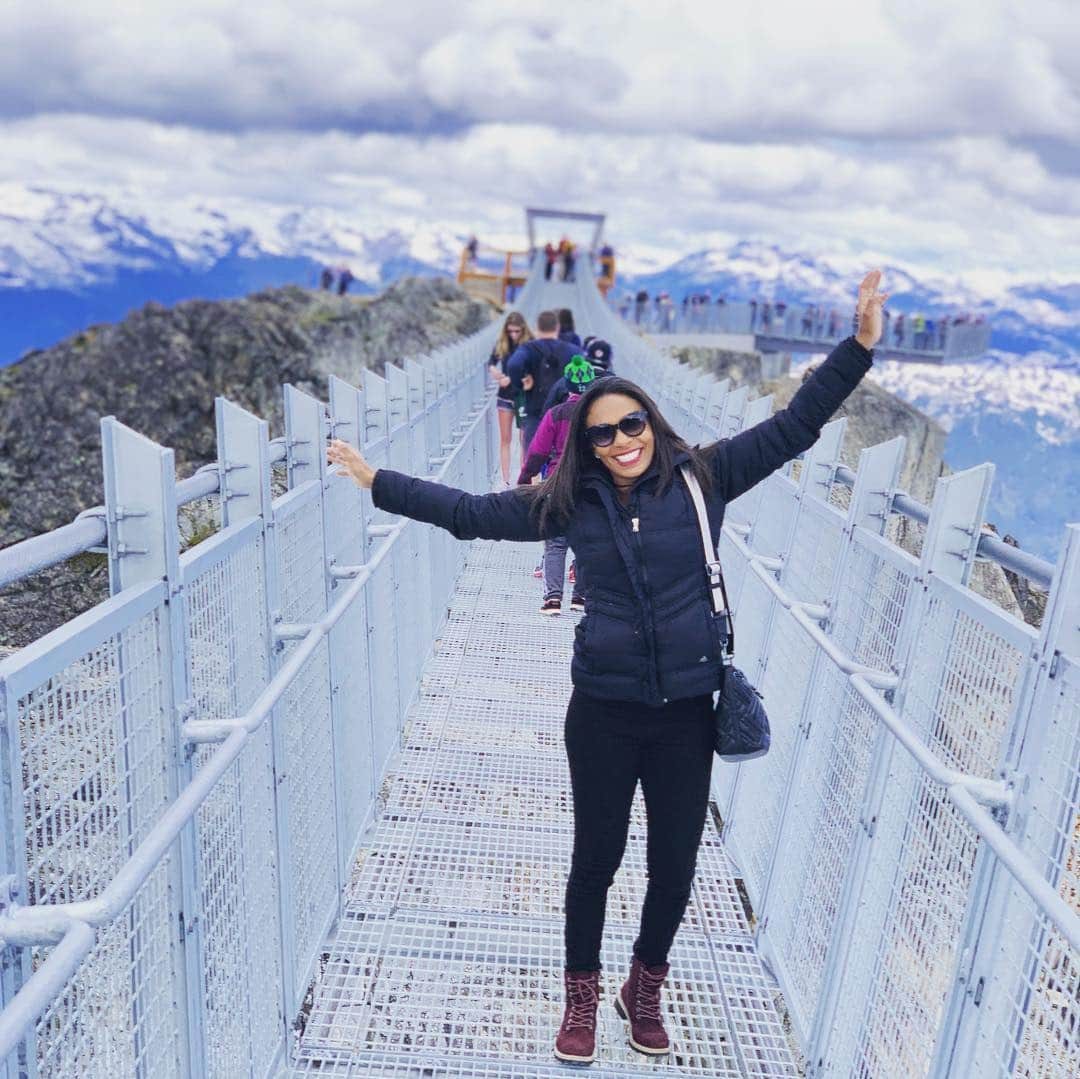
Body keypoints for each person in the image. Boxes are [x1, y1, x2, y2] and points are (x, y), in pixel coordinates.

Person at [328, 270, 890, 1067]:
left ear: (652, 422)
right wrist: (376, 481)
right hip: (602, 710)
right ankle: (582, 995)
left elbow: (795, 426)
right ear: (585, 446)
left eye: (632, 424)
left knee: (675, 862)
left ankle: (645, 986)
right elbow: (467, 514)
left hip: (687, 712)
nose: (622, 440)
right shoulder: (570, 505)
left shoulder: (706, 478)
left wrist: (859, 347)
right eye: (602, 434)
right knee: (597, 856)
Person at [518, 357, 598, 614]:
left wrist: (525, 478)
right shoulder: (598, 416)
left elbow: (538, 452)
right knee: (588, 542)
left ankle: (553, 599)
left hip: (557, 482)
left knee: (555, 542)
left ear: (567, 385)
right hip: (590, 484)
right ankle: (580, 597)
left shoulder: (555, 414)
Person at [505, 310, 578, 450]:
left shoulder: (527, 348)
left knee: (534, 461)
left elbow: (513, 365)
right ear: (557, 328)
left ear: (537, 328)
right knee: (562, 458)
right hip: (565, 414)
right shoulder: (573, 351)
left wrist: (520, 384)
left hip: (535, 414)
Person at [488, 312, 534, 486]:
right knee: (505, 439)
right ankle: (505, 480)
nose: (513, 335)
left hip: (524, 396)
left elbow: (534, 372)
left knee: (525, 440)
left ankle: (524, 480)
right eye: (510, 331)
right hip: (505, 396)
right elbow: (491, 362)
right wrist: (494, 372)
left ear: (523, 329)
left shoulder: (530, 345)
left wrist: (514, 379)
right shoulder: (502, 344)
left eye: (517, 331)